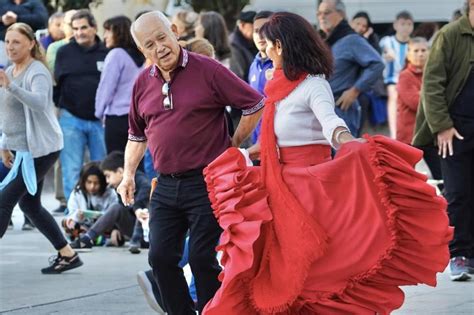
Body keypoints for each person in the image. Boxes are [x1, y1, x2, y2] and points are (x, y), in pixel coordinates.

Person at [202, 12, 452, 314]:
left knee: (312, 274)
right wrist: (240, 155)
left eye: (268, 44)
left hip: (307, 191)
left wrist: (349, 142)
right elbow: (273, 142)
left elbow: (331, 123)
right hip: (277, 186)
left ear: (280, 46)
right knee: (271, 268)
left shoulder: (313, 85)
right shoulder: (277, 88)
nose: (265, 51)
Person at [119, 11, 264, 314]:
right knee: (159, 258)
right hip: (166, 185)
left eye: (162, 37)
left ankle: (214, 310)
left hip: (207, 182)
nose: (159, 47)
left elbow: (255, 103)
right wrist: (128, 175)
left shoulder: (207, 69)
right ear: (142, 51)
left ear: (173, 31)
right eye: (149, 45)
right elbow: (136, 135)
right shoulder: (141, 83)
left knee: (201, 257)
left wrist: (234, 144)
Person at [0, 22, 83, 274]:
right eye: (8, 41)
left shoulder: (37, 71)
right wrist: (4, 144)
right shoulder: (11, 70)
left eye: (17, 41)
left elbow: (39, 103)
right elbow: (7, 113)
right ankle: (67, 254)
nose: (11, 46)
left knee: (4, 203)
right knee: (30, 206)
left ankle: (67, 254)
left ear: (31, 44)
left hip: (42, 150)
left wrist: (11, 86)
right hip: (21, 151)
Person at [413, 0, 474, 281]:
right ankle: (459, 254)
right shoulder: (450, 35)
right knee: (459, 192)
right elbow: (432, 83)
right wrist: (442, 126)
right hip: (454, 130)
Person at [55, 9, 108, 202]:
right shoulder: (64, 52)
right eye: (75, 29)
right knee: (72, 170)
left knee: (102, 169)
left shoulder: (107, 52)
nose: (79, 32)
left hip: (100, 120)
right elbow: (58, 85)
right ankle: (74, 218)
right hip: (71, 118)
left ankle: (103, 217)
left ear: (94, 28)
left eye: (84, 27)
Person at [318, 0, 384, 136]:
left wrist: (355, 90)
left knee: (344, 156)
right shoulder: (323, 40)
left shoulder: (351, 39)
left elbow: (377, 64)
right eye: (319, 13)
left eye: (327, 13)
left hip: (342, 110)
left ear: (341, 14)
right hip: (322, 109)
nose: (322, 17)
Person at [71, 151, 150, 253]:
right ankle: (87, 239)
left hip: (149, 235)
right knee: (117, 208)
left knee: (142, 209)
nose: (107, 181)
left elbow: (146, 189)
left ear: (120, 172)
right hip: (135, 232)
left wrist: (137, 208)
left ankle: (135, 240)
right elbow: (122, 210)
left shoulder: (140, 180)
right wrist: (116, 229)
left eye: (108, 176)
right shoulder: (119, 187)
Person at [396, 37, 442, 189]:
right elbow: (415, 102)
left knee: (442, 177)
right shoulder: (405, 76)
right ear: (408, 54)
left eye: (424, 50)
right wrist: (435, 96)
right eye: (416, 51)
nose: (420, 54)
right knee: (406, 182)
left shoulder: (434, 74)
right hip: (410, 136)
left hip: (431, 136)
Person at [95, 15, 145, 154]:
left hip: (116, 119)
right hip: (137, 119)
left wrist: (98, 113)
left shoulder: (116, 54)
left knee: (116, 164)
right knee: (136, 165)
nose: (104, 36)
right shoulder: (142, 56)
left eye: (107, 31)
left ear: (118, 32)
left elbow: (106, 88)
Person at [46, 9, 76, 216]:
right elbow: (51, 78)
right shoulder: (56, 48)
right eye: (69, 23)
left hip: (87, 110)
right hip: (61, 105)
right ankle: (64, 198)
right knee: (63, 156)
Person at [62, 162, 117, 242]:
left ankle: (94, 238)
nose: (92, 186)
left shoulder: (110, 193)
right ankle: (88, 237)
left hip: (103, 228)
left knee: (115, 231)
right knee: (66, 222)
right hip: (84, 226)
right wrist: (77, 217)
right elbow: (71, 213)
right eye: (89, 182)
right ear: (83, 181)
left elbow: (115, 214)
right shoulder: (77, 193)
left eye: (96, 183)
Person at [380, 11, 414, 138]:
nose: (405, 27)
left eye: (409, 24)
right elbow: (384, 52)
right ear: (395, 25)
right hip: (392, 80)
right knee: (393, 95)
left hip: (410, 81)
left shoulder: (413, 43)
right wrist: (387, 55)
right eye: (402, 24)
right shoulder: (387, 41)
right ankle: (394, 133)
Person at [248, 10, 273, 146]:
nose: (260, 35)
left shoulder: (282, 64)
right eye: (256, 30)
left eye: (265, 29)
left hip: (276, 142)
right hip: (257, 142)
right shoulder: (254, 65)